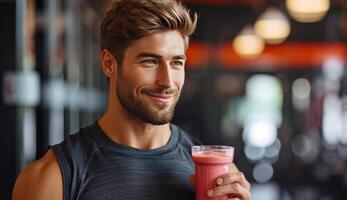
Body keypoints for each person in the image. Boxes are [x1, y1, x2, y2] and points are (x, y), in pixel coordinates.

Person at [12, 0, 251, 199]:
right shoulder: (50, 179)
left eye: (176, 63)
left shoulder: (218, 175)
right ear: (109, 64)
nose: (167, 81)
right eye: (149, 61)